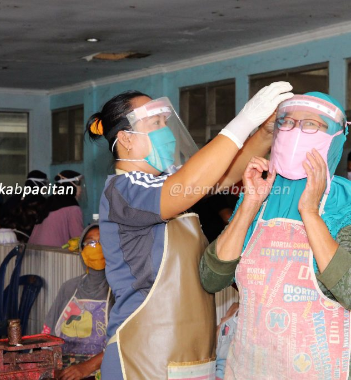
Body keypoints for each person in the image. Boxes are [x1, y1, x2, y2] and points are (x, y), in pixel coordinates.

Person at [88, 83, 293, 379]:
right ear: (126, 139)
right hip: (142, 355)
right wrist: (244, 120)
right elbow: (189, 185)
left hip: (193, 354)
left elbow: (223, 175)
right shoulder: (123, 191)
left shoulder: (170, 182)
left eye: (164, 122)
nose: (165, 131)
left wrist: (265, 131)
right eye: (155, 123)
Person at [200, 92, 351, 379]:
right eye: (287, 123)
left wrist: (310, 212)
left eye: (311, 125)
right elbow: (212, 278)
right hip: (252, 365)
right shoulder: (260, 192)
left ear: (335, 137)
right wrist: (249, 204)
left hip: (320, 366)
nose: (296, 131)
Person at [42, 223, 111, 380]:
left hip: (100, 371)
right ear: (82, 250)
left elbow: (123, 342)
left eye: (103, 242)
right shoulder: (70, 287)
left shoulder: (119, 291)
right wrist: (51, 368)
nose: (97, 247)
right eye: (91, 242)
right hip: (63, 370)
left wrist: (86, 368)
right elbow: (48, 334)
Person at [28, 170, 83, 247]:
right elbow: (78, 240)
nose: (81, 188)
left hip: (33, 252)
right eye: (78, 183)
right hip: (54, 255)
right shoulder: (73, 208)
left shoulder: (49, 201)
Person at [0, 170, 48, 239]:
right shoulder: (41, 202)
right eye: (45, 184)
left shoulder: (13, 199)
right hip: (29, 243)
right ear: (39, 185)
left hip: (7, 240)